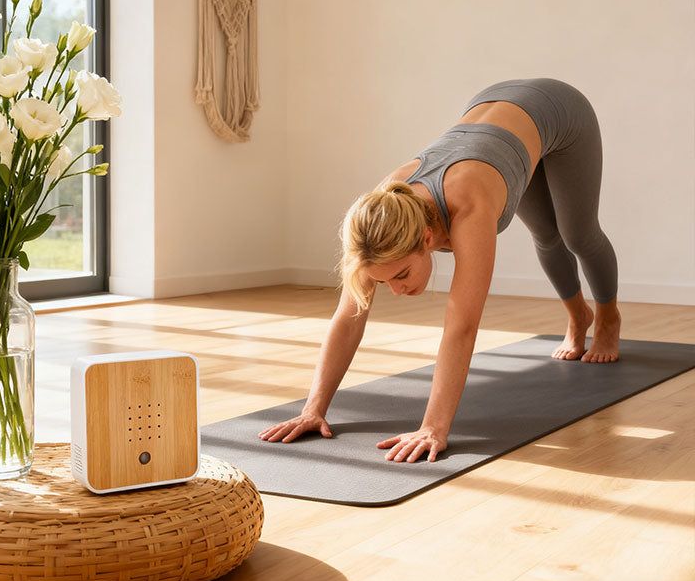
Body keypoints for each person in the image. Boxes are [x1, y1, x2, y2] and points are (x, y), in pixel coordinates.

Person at [259, 78, 621, 464]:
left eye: (401, 275)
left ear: (428, 238)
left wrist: (433, 427)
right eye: (383, 281)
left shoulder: (468, 204)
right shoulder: (377, 221)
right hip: (497, 115)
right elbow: (349, 316)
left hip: (560, 111)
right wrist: (313, 409)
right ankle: (578, 318)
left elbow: (462, 326)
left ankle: (608, 319)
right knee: (546, 236)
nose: (396, 290)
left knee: (577, 235)